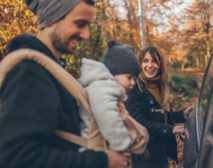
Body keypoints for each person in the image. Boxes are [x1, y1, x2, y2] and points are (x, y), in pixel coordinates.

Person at [0, 0, 129, 168]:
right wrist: (102, 161)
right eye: (80, 24)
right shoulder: (30, 73)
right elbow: (15, 158)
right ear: (53, 17)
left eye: (88, 25)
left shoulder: (51, 70)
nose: (86, 35)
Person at [125, 46, 193, 168]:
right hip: (144, 156)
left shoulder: (161, 86)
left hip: (161, 153)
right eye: (145, 61)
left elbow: (160, 115)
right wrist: (171, 129)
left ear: (160, 65)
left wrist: (182, 115)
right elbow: (139, 122)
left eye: (154, 61)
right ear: (140, 64)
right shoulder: (134, 89)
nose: (150, 65)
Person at [78, 40, 144, 152]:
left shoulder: (105, 88)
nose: (133, 82)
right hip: (93, 147)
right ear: (113, 73)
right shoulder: (102, 89)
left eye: (135, 78)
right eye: (129, 77)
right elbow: (109, 119)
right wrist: (123, 144)